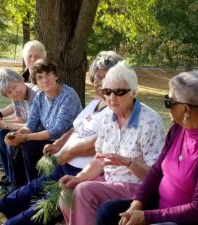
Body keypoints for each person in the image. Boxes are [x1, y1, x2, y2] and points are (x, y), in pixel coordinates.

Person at [0, 51, 122, 225]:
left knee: (45, 204)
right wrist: (57, 144)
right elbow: (75, 128)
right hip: (67, 160)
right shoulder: (95, 103)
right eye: (96, 78)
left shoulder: (116, 108)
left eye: (104, 77)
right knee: (35, 186)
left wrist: (66, 150)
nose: (99, 83)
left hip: (84, 171)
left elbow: (100, 140)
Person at [96, 70, 198, 225]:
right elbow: (157, 171)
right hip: (161, 209)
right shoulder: (178, 129)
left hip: (193, 221)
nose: (166, 106)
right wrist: (137, 203)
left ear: (185, 109)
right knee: (108, 211)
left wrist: (146, 217)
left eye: (169, 102)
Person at [59, 62, 166, 225]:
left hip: (136, 187)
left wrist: (128, 162)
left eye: (120, 92)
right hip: (109, 181)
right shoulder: (107, 117)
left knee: (84, 191)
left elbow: (155, 176)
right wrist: (78, 178)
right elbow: (99, 159)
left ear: (134, 92)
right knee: (67, 194)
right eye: (107, 92)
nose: (112, 98)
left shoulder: (150, 122)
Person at [4, 59, 82, 182]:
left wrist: (25, 138)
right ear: (36, 82)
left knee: (28, 146)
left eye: (48, 75)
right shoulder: (40, 96)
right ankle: (19, 186)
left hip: (67, 140)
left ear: (55, 76)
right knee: (15, 145)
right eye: (40, 77)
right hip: (50, 140)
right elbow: (31, 125)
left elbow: (58, 130)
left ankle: (34, 189)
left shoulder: (68, 95)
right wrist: (17, 135)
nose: (45, 80)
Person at [0, 68, 39, 191]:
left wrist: (2, 123)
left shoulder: (35, 95)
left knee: (9, 139)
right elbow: (20, 119)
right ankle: (10, 177)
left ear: (21, 80)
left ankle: (18, 184)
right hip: (25, 128)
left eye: (15, 87)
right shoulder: (17, 98)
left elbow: (31, 126)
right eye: (9, 92)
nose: (14, 93)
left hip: (37, 132)